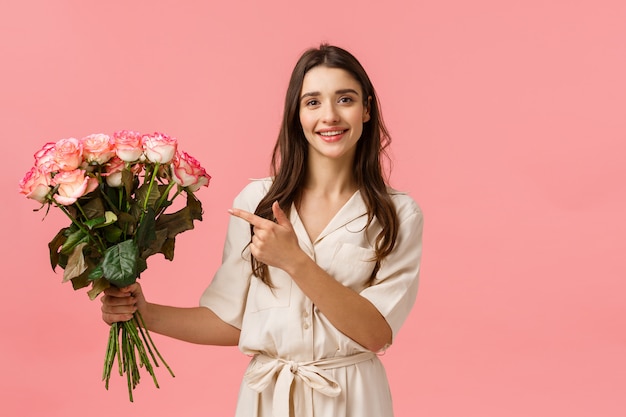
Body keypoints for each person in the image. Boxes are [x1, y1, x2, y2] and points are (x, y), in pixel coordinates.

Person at [101, 43, 423, 417]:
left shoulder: (397, 213)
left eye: (345, 99)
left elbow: (376, 334)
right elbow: (231, 321)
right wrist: (140, 311)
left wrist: (295, 262)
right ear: (296, 115)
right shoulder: (257, 202)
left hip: (353, 400)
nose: (330, 116)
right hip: (268, 400)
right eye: (313, 102)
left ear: (366, 109)